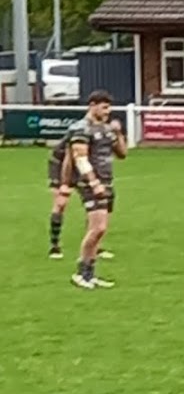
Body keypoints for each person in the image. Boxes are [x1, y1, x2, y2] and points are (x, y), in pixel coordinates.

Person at [67, 91, 125, 290]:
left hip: (107, 181)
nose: (107, 111)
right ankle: (81, 273)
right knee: (97, 228)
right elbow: (80, 158)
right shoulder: (81, 128)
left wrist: (118, 133)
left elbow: (122, 154)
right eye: (104, 107)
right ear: (92, 105)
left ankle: (89, 275)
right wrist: (93, 182)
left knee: (100, 231)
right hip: (91, 183)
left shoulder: (106, 129)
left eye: (109, 107)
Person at [46, 127, 74, 258]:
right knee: (60, 203)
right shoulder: (73, 136)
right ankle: (54, 244)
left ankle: (95, 245)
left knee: (95, 207)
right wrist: (62, 183)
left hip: (80, 166)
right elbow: (57, 157)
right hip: (59, 166)